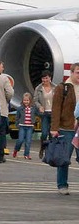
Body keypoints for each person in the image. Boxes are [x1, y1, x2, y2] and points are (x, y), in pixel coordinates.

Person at [50, 63, 79, 195]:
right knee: (64, 158)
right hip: (66, 127)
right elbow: (56, 108)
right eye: (78, 72)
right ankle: (62, 184)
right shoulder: (63, 88)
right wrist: (54, 128)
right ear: (71, 73)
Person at [13, 92, 41, 160]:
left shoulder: (33, 108)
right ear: (22, 101)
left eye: (27, 100)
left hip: (30, 127)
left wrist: (42, 110)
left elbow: (39, 114)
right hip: (22, 126)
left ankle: (26, 154)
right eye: (24, 100)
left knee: (28, 141)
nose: (26, 102)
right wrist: (17, 125)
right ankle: (16, 149)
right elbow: (17, 117)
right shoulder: (20, 108)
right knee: (20, 140)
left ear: (30, 101)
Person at [33, 70, 56, 150]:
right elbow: (35, 100)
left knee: (52, 133)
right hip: (44, 113)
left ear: (50, 78)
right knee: (44, 133)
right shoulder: (38, 88)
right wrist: (39, 106)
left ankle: (50, 150)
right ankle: (42, 147)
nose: (45, 80)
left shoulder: (55, 88)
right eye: (43, 78)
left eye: (46, 78)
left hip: (53, 113)